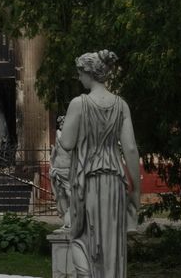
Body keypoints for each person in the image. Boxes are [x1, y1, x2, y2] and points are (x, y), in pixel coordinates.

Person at [58, 50, 140, 278]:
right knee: (113, 244)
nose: (78, 78)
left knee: (85, 240)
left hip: (89, 181)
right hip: (115, 182)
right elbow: (131, 150)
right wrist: (135, 197)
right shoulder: (121, 105)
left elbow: (66, 142)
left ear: (89, 73)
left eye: (80, 73)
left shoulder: (79, 104)